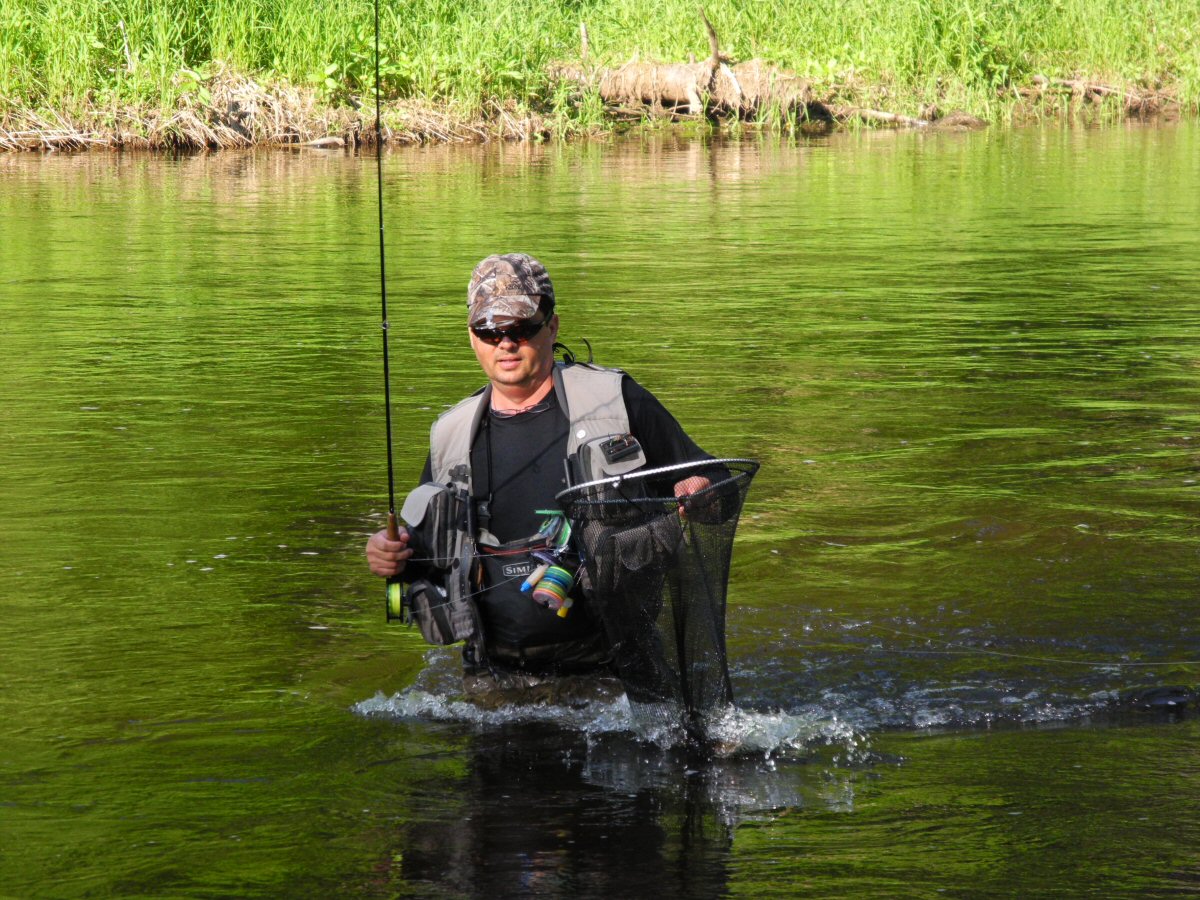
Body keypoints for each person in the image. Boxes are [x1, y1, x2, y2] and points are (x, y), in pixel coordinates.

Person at [365, 253, 714, 700]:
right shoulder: (449, 433)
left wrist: (700, 490)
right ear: (472, 338)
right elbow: (427, 552)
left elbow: (712, 479)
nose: (505, 343)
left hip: (618, 675)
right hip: (493, 683)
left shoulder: (617, 401)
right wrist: (388, 553)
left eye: (520, 329)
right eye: (489, 332)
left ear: (552, 327)